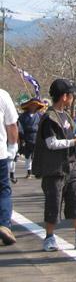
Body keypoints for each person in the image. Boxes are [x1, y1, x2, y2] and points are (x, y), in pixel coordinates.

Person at [34, 78, 76, 252]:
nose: (73, 97)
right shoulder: (49, 117)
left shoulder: (67, 115)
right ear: (64, 96)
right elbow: (51, 143)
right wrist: (74, 142)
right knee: (53, 202)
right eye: (71, 94)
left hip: (71, 165)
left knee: (75, 200)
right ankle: (50, 237)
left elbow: (70, 139)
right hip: (54, 168)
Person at [0, 87, 19, 246]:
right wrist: (13, 147)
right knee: (3, 190)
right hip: (0, 153)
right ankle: (4, 225)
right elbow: (12, 125)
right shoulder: (2, 95)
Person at [17, 98, 45, 179]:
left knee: (37, 155)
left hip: (37, 136)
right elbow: (20, 127)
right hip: (26, 136)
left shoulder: (39, 116)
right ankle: (28, 172)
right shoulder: (23, 116)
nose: (33, 107)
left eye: (35, 105)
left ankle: (38, 171)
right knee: (27, 155)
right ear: (28, 106)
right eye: (32, 105)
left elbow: (42, 126)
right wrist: (22, 138)